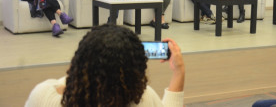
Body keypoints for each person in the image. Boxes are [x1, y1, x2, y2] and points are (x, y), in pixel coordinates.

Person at [25, 24, 185, 106]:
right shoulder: (144, 99)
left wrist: (82, 72)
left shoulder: (42, 96)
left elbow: (66, 83)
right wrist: (179, 72)